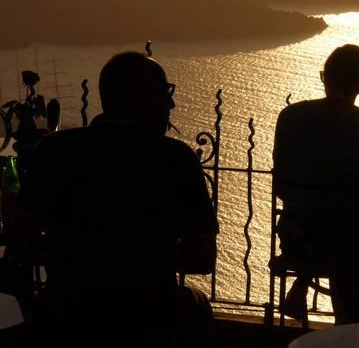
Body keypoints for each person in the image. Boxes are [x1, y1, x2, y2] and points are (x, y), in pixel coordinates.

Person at [15, 51, 219, 347]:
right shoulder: (176, 159)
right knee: (198, 307)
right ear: (141, 98)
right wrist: (144, 253)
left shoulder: (53, 150)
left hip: (68, 309)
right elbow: (203, 258)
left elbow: (23, 233)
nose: (171, 104)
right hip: (151, 313)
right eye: (165, 93)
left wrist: (77, 249)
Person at [272, 44, 359, 325]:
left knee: (339, 232)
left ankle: (304, 281)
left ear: (324, 77)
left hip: (300, 236)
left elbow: (282, 187)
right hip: (355, 240)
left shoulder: (291, 117)